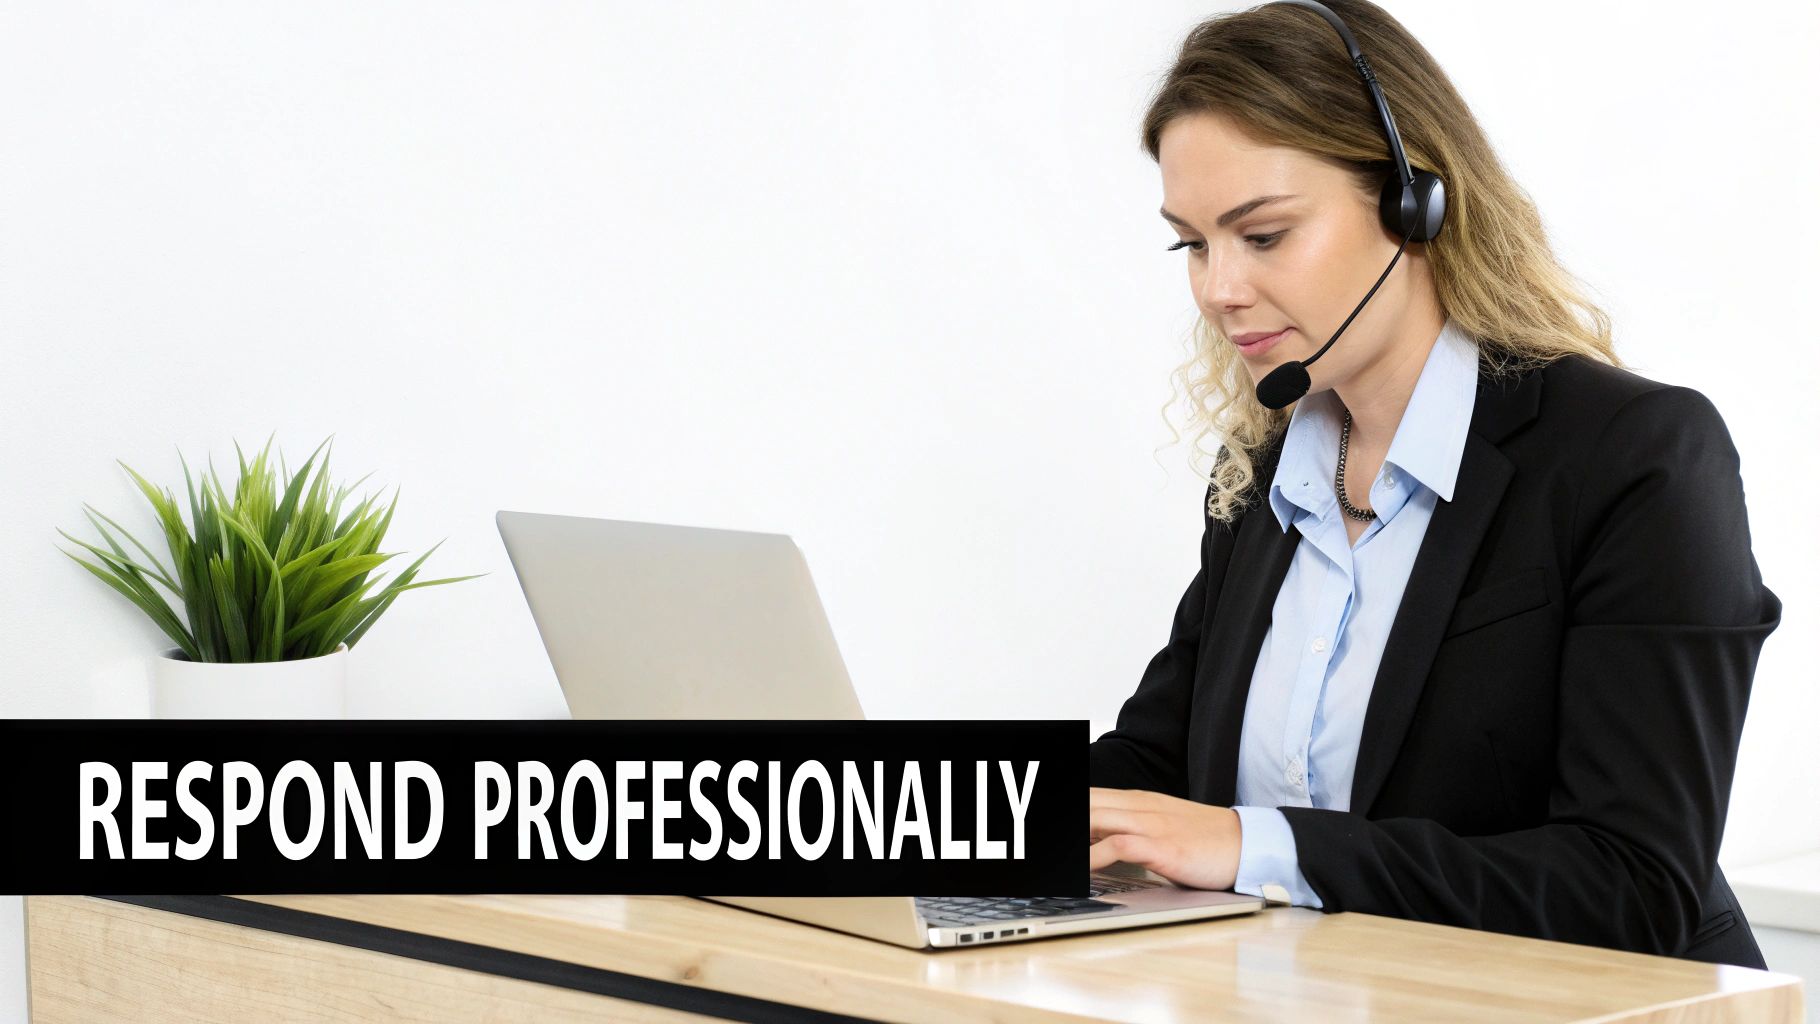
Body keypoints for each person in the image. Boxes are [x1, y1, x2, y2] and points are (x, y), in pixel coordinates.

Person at [1085, 0, 1781, 969]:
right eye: (1191, 243)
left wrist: (1255, 846)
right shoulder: (1265, 472)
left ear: (1413, 204)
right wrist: (905, 811)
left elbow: (1632, 881)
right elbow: (1149, 771)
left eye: (1263, 234)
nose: (1215, 288)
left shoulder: (1635, 458)